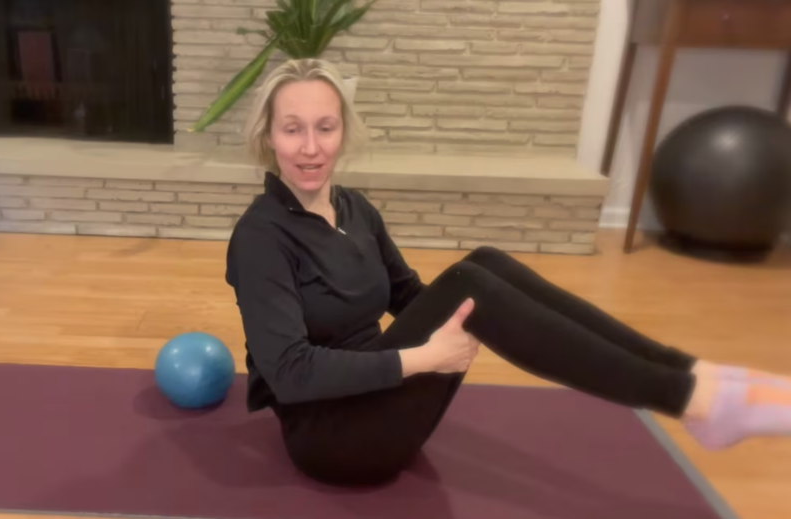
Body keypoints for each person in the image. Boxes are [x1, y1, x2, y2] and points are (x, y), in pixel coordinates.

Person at [224, 58, 791, 487]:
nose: (310, 147)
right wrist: (427, 358)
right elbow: (292, 373)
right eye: (292, 129)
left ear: (343, 132)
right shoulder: (261, 237)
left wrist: (477, 318)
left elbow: (409, 296)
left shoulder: (354, 208)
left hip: (381, 392)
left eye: (325, 127)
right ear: (267, 137)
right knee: (476, 287)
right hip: (335, 438)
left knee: (484, 266)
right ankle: (693, 398)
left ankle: (689, 375)